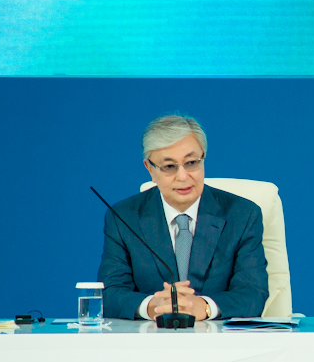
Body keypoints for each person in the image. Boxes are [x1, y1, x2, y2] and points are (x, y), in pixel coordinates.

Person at [98, 114, 268, 320]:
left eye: (191, 162)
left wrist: (204, 307)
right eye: (169, 167)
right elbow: (110, 293)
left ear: (203, 158)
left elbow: (253, 293)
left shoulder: (242, 215)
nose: (183, 176)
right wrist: (152, 306)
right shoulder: (124, 217)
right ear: (149, 169)